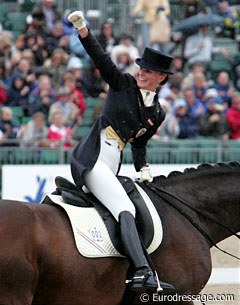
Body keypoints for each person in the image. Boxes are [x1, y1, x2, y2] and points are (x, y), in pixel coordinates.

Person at [68, 10, 175, 293]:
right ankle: (142, 271)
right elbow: (101, 60)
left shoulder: (158, 113)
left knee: (137, 206)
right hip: (93, 158)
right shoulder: (123, 84)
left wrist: (143, 168)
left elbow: (139, 143)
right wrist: (83, 30)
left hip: (113, 162)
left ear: (161, 78)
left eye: (148, 71)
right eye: (142, 67)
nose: (142, 72)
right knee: (124, 207)